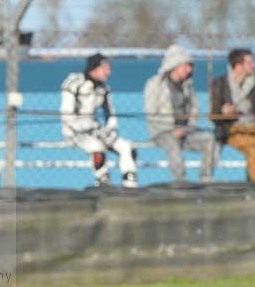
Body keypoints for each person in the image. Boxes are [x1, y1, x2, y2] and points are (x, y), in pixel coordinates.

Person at [60, 53, 138, 187]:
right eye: (105, 68)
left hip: (96, 129)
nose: (109, 72)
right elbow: (66, 113)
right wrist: (83, 127)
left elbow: (110, 113)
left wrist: (111, 129)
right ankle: (103, 183)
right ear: (94, 68)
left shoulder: (104, 89)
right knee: (98, 149)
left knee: (126, 147)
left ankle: (130, 184)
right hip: (74, 131)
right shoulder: (74, 83)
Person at [144, 44, 215, 183]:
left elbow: (194, 108)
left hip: (185, 131)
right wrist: (170, 130)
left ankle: (206, 179)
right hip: (162, 132)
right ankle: (181, 183)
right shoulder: (155, 84)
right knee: (173, 147)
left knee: (210, 140)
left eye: (191, 66)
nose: (190, 70)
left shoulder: (188, 85)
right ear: (175, 65)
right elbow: (151, 113)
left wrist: (189, 127)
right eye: (186, 66)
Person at [209, 49, 255, 182]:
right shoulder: (220, 83)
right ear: (238, 66)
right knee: (254, 149)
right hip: (233, 129)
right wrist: (224, 111)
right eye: (249, 62)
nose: (254, 65)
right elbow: (214, 114)